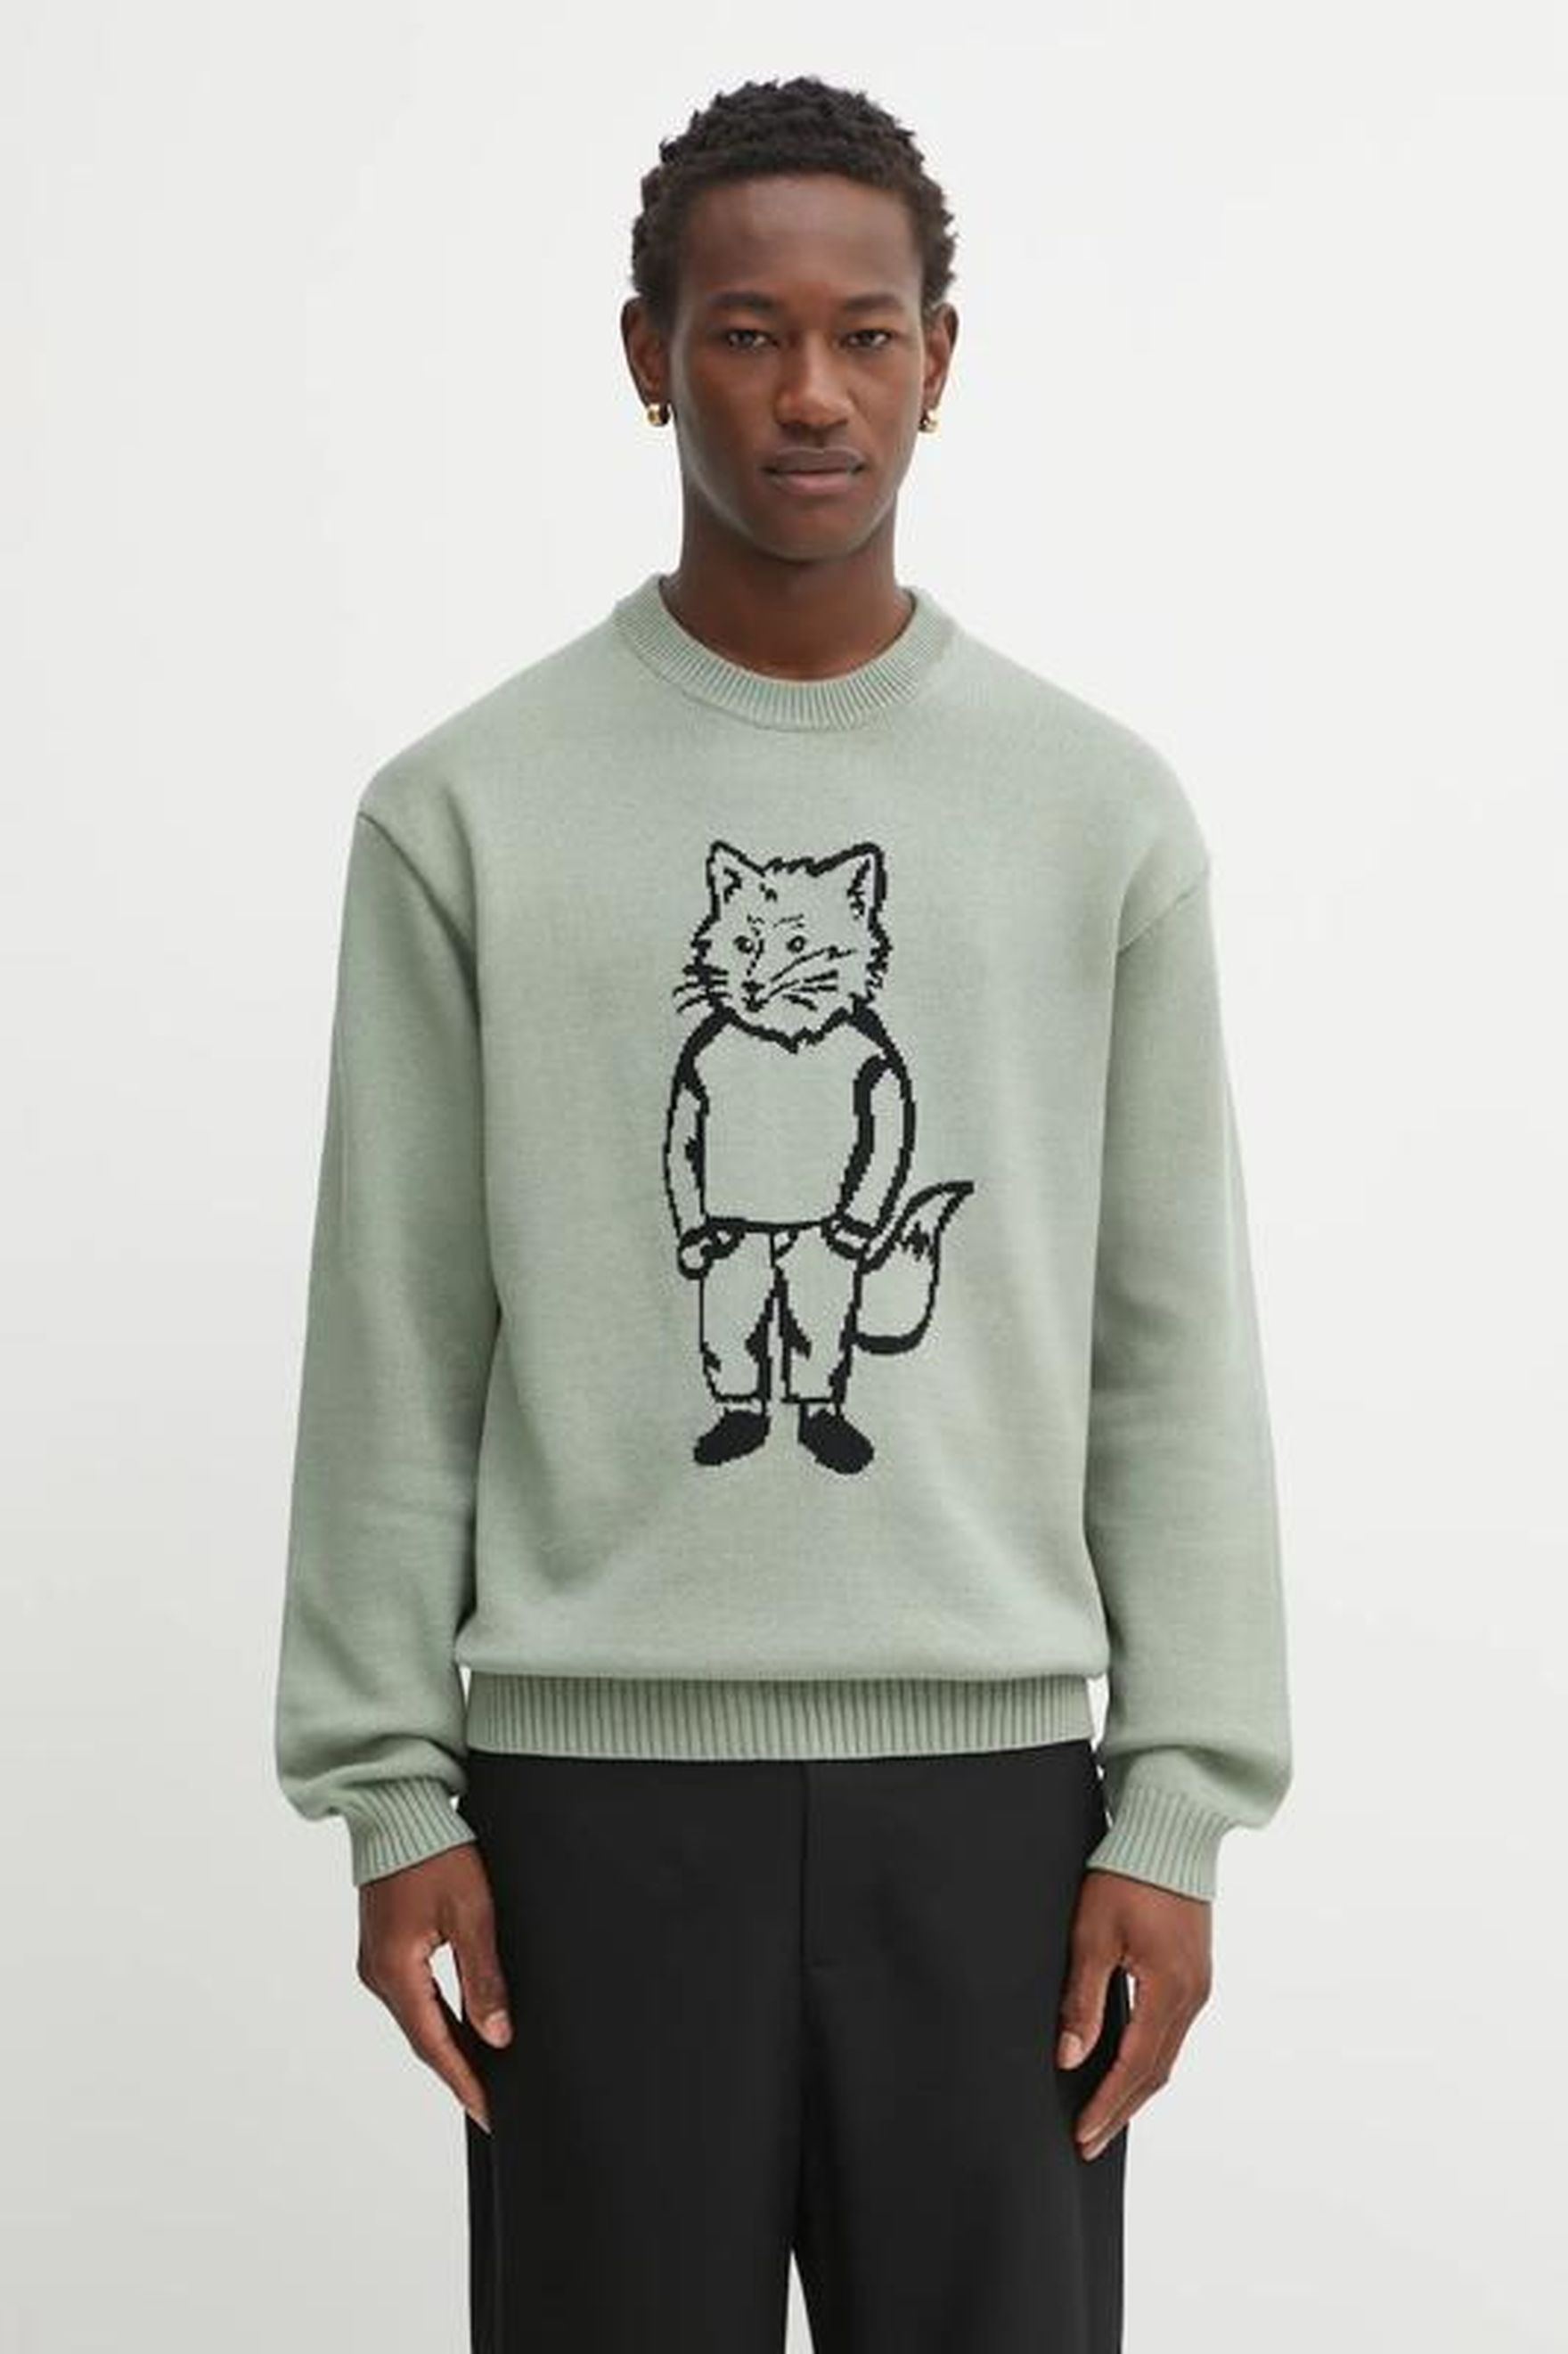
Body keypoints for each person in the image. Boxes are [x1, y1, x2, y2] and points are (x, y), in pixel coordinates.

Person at [273, 72, 1293, 2354]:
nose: (809, 391)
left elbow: (1167, 1339)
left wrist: (1174, 1815)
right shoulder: (464, 810)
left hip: (1001, 1812)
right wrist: (389, 1796)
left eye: (864, 332)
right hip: (587, 1810)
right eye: (745, 332)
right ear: (649, 355)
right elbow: (398, 1326)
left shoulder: (1099, 813)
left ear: (941, 359)